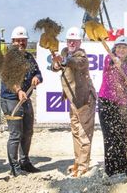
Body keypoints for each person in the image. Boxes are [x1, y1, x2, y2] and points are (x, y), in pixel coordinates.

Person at [51, 26, 96, 177]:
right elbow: (56, 67)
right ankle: (78, 161)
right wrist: (56, 63)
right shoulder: (64, 52)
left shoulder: (81, 56)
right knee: (76, 132)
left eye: (74, 41)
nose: (71, 43)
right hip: (72, 100)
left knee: (83, 133)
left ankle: (83, 165)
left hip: (84, 100)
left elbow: (75, 63)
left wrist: (63, 60)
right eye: (69, 41)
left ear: (80, 42)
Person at [0, 26, 42, 176]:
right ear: (12, 41)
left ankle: (25, 162)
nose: (20, 43)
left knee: (28, 131)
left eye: (23, 40)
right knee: (15, 134)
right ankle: (14, 167)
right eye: (18, 40)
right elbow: (9, 78)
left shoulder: (29, 57)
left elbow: (38, 72)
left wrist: (37, 77)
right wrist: (18, 90)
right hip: (11, 100)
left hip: (26, 98)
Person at [98, 36, 127, 176]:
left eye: (124, 47)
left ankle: (122, 169)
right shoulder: (109, 59)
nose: (121, 49)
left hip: (122, 104)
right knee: (110, 136)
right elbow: (110, 64)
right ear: (115, 49)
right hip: (106, 102)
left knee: (122, 136)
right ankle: (110, 171)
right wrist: (117, 62)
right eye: (119, 47)